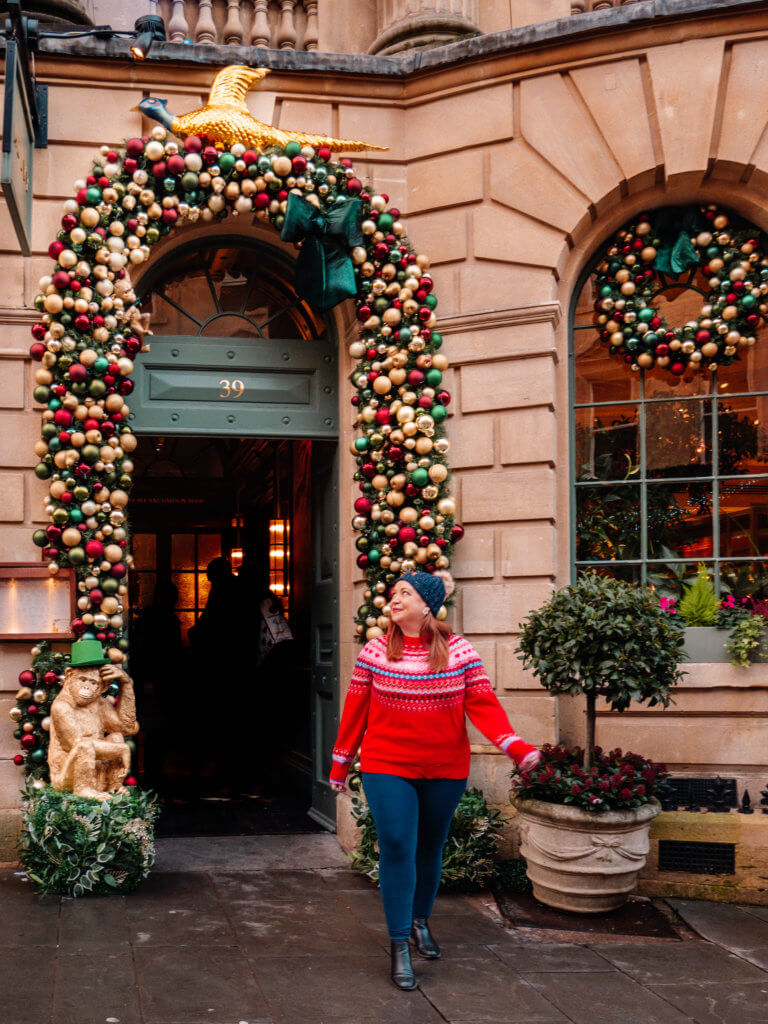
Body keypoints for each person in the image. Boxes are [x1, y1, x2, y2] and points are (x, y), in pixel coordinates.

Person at [329, 570, 541, 991]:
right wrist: (340, 764)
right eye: (393, 593)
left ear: (427, 604)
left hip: (445, 768)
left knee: (429, 848)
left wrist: (516, 747)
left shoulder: (460, 653)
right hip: (386, 764)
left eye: (404, 593)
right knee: (395, 847)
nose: (394, 598)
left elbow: (484, 707)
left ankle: (419, 921)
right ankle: (398, 945)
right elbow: (354, 712)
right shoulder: (374, 652)